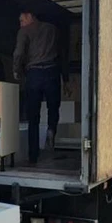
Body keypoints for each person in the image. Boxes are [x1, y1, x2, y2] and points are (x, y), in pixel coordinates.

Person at [13, 10, 69, 164]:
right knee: (53, 108)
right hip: (52, 72)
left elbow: (19, 53)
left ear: (30, 16)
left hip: (34, 74)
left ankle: (33, 155)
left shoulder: (24, 31)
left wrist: (17, 71)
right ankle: (51, 130)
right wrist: (66, 79)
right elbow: (63, 55)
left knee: (33, 116)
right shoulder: (52, 29)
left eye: (21, 20)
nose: (21, 24)